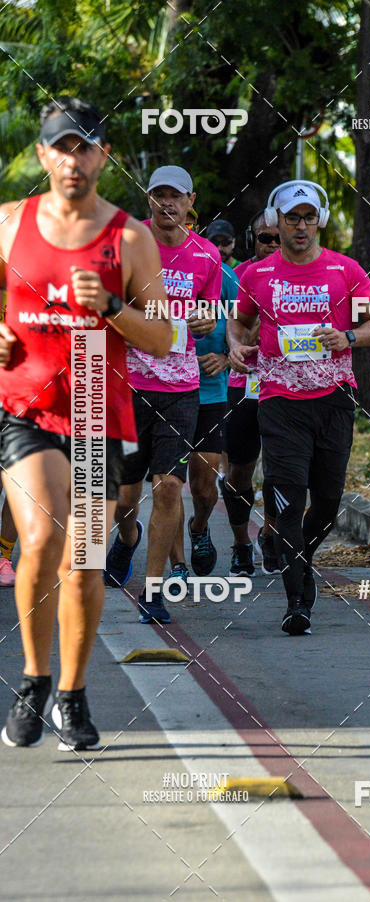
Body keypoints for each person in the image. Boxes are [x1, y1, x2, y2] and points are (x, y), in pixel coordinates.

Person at [0, 96, 172, 750]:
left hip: (99, 407)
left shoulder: (129, 237)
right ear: (43, 155)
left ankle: (71, 694)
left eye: (85, 146)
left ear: (104, 156)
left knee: (85, 563)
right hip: (26, 408)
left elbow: (161, 338)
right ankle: (33, 679)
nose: (74, 159)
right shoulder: (10, 223)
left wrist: (114, 308)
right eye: (61, 147)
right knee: (42, 538)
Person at [227, 180, 370, 635]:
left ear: (319, 220)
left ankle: (301, 557)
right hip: (279, 401)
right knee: (287, 501)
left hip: (335, 399)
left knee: (327, 503)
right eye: (291, 218)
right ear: (275, 223)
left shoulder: (344, 269)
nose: (300, 227)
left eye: (307, 217)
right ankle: (297, 601)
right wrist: (236, 346)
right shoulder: (257, 275)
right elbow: (239, 322)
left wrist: (350, 337)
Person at [103, 165, 222, 624]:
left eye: (176, 197)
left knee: (170, 486)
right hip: (129, 383)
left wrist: (206, 321)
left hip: (180, 387)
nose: (167, 204)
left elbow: (211, 311)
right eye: (159, 196)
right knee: (127, 496)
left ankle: (153, 593)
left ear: (191, 201)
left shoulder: (206, 256)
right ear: (148, 200)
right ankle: (127, 537)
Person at [220, 211, 281, 577]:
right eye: (264, 238)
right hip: (243, 386)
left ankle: (271, 535)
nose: (272, 245)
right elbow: (232, 331)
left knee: (280, 470)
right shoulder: (237, 277)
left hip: (285, 388)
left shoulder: (301, 278)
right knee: (240, 472)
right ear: (251, 239)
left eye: (278, 238)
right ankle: (242, 543)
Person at [168, 261, 237, 584]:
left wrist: (226, 355)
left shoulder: (222, 275)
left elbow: (247, 322)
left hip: (210, 391)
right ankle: (178, 564)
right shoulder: (152, 266)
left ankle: (199, 526)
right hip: (165, 390)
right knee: (167, 485)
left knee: (204, 486)